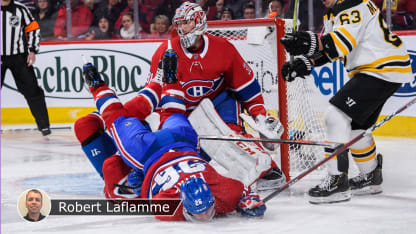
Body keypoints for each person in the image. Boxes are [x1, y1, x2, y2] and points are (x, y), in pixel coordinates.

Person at [121, 1, 286, 190]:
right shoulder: (166, 52)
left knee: (228, 135)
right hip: (183, 113)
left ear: (199, 23)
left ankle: (267, 169)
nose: (182, 28)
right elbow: (160, 98)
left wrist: (261, 117)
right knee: (182, 156)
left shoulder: (223, 48)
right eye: (179, 23)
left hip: (217, 105)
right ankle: (153, 166)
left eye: (187, 23)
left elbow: (247, 88)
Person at [76, 61, 267, 221]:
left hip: (181, 139)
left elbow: (239, 188)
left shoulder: (223, 192)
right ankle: (101, 86)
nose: (204, 218)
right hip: (149, 151)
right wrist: (247, 200)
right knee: (116, 120)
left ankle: (168, 80)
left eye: (207, 211)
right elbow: (145, 195)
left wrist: (246, 199)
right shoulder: (167, 207)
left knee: (171, 112)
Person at [280, 0, 413, 204]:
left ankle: (337, 180)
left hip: (380, 68)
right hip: (384, 69)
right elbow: (332, 49)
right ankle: (370, 176)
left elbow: (341, 43)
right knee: (354, 127)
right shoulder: (336, 11)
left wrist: (307, 40)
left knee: (335, 116)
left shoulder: (351, 4)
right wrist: (306, 62)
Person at [1, 0, 51, 136]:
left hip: (19, 57)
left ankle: (44, 126)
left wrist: (33, 50)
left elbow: (33, 28)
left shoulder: (20, 9)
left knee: (33, 91)